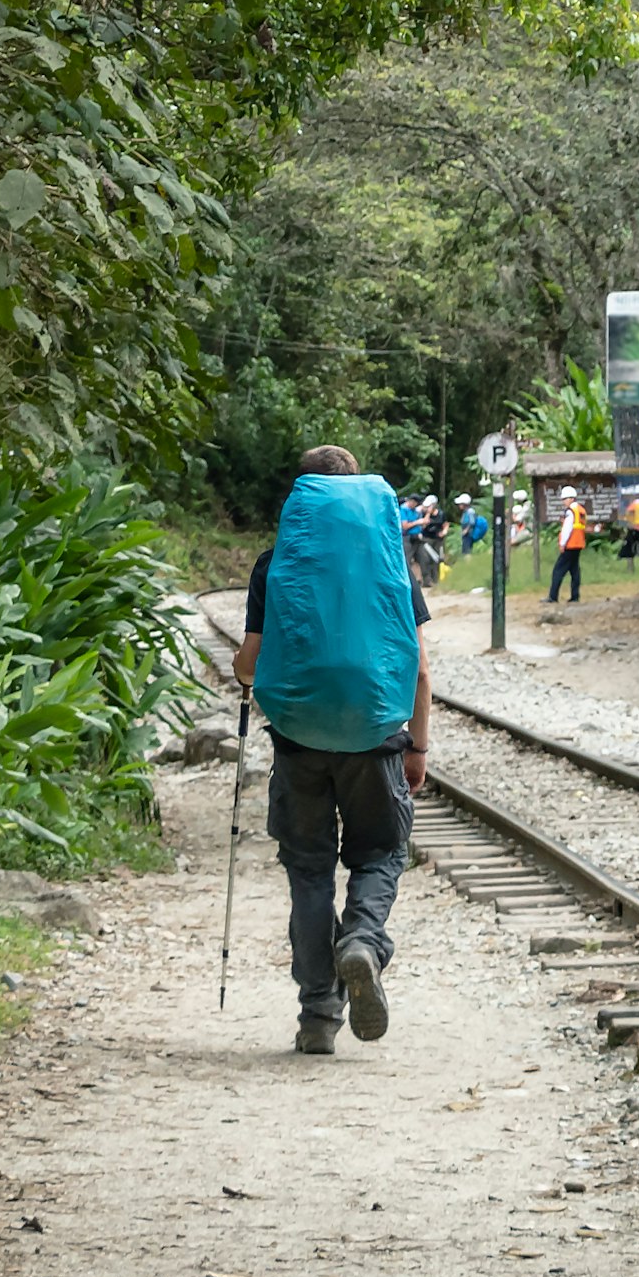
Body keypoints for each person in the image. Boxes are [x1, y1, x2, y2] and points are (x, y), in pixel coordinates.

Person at [237, 446, 433, 1056]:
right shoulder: (390, 561)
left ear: (302, 497)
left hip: (298, 743)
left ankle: (318, 1014)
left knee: (309, 870)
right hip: (376, 739)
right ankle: (363, 942)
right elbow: (420, 668)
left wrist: (251, 676)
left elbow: (249, 663)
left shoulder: (276, 564)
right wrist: (418, 747)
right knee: (380, 850)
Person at [544, 490, 591, 604]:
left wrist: (562, 544)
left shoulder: (570, 511)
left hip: (570, 544)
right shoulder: (581, 510)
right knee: (575, 571)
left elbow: (567, 529)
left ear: (571, 498)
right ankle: (575, 596)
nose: (563, 502)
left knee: (558, 571)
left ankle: (553, 597)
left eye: (565, 499)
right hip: (579, 544)